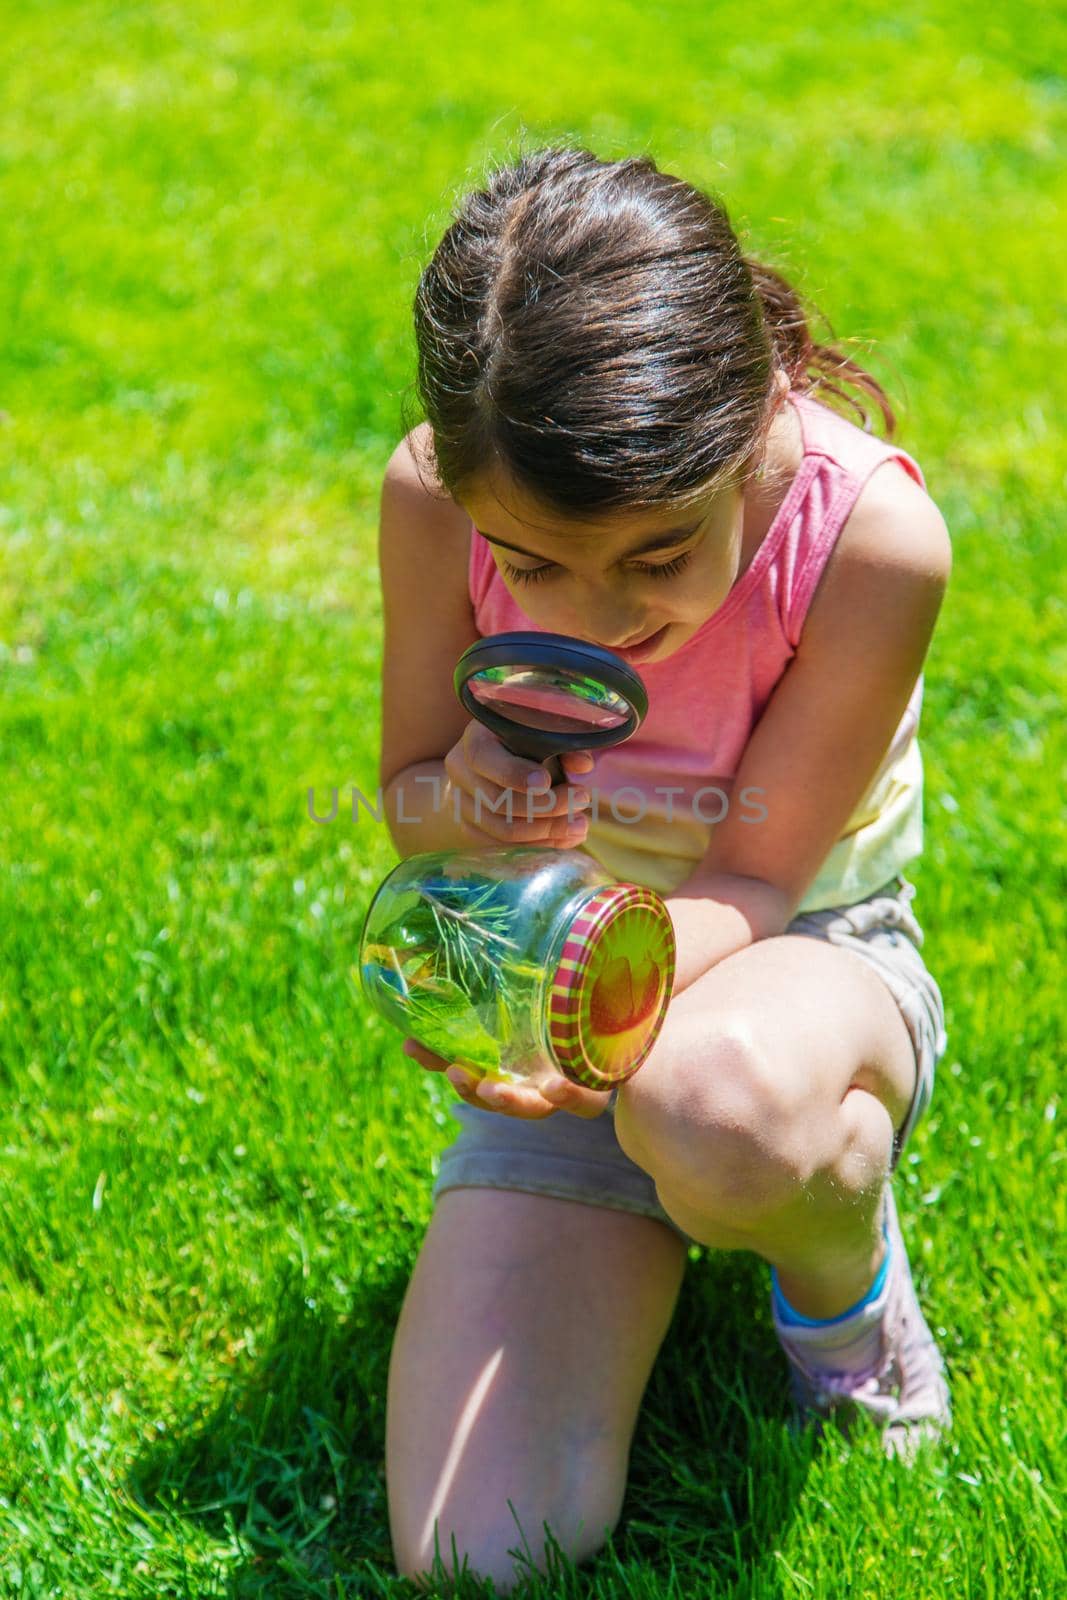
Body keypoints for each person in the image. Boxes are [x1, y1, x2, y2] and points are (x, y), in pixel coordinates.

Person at [377, 143, 952, 1594]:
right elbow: (411, 803)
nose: (597, 614)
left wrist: (596, 1027)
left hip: (797, 964)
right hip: (572, 975)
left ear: (756, 413)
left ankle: (838, 1288)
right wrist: (467, 797)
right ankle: (635, 1169)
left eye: (656, 554)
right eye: (538, 562)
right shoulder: (436, 496)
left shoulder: (871, 539)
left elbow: (759, 885)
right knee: (483, 1555)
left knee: (716, 1105)